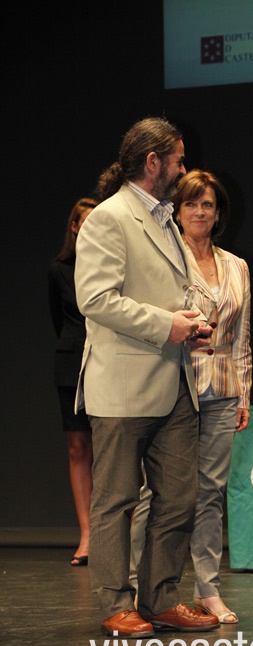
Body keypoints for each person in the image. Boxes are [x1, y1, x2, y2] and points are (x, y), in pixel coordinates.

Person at [74, 117, 219, 638]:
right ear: (153, 162)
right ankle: (115, 602)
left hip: (173, 381)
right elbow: (95, 299)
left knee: (179, 497)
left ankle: (160, 598)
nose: (183, 169)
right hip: (124, 385)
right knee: (116, 499)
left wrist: (189, 325)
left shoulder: (164, 220)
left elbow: (162, 292)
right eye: (178, 160)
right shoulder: (110, 218)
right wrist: (166, 325)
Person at [130, 169, 252, 624]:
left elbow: (242, 337)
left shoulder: (237, 266)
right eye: (191, 204)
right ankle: (140, 585)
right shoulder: (164, 258)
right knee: (159, 491)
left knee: (211, 492)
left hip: (222, 387)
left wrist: (243, 393)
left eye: (208, 204)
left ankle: (208, 589)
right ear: (176, 212)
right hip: (174, 383)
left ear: (218, 213)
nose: (200, 212)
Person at [48, 197, 97, 567]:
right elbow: (59, 320)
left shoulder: (114, 263)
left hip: (109, 362)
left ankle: (125, 533)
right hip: (71, 364)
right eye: (85, 221)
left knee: (117, 449)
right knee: (78, 448)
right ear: (75, 226)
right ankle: (87, 536)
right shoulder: (59, 269)